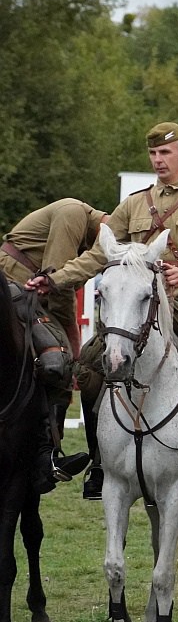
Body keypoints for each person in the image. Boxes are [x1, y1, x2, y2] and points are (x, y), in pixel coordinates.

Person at [27, 122, 178, 500]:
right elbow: (97, 255)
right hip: (135, 311)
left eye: (165, 153)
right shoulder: (135, 204)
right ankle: (99, 463)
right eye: (153, 154)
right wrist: (56, 280)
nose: (158, 160)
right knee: (89, 366)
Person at [2, 199, 105, 492]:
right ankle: (46, 457)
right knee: (57, 360)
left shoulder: (86, 230)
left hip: (24, 288)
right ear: (106, 225)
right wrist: (71, 341)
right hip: (16, 284)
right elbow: (58, 283)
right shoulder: (73, 213)